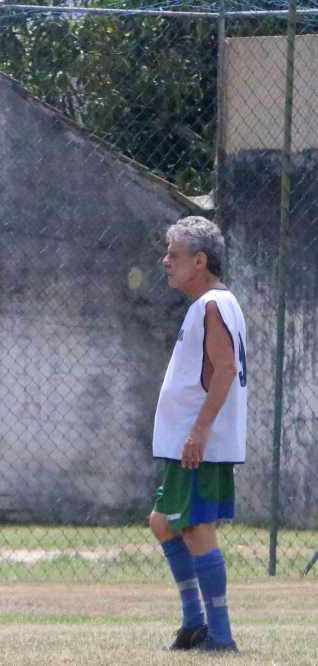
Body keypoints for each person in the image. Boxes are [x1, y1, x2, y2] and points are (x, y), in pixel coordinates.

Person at [149, 216, 247, 653]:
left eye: (174, 254)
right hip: (184, 443)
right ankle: (194, 623)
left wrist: (200, 431)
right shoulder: (203, 305)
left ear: (200, 260)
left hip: (197, 444)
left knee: (195, 528)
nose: (165, 261)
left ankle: (220, 635)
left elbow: (225, 369)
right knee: (164, 524)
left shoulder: (214, 304)